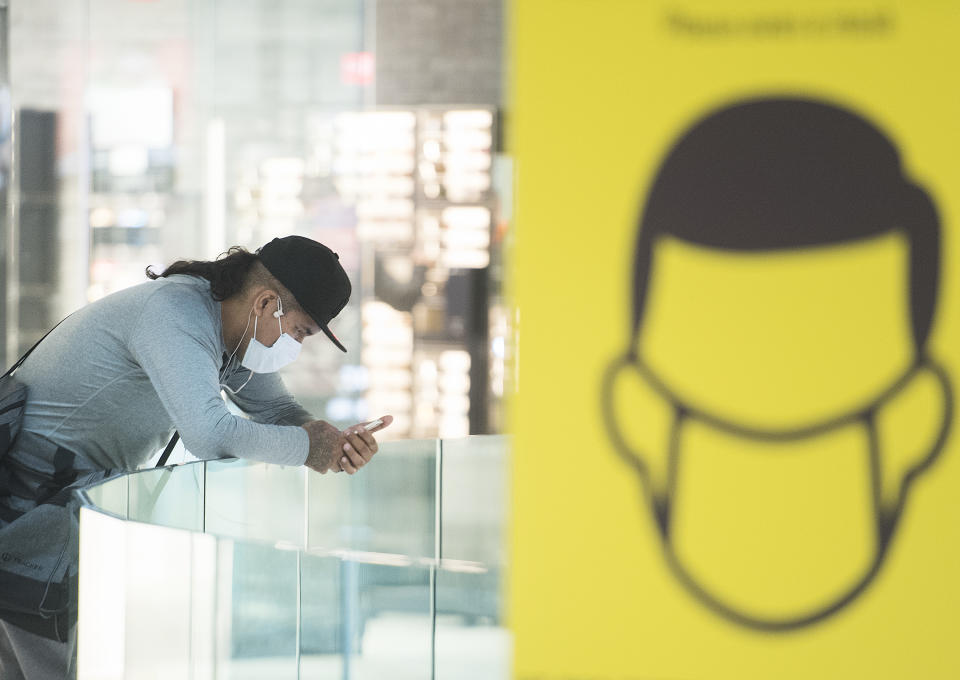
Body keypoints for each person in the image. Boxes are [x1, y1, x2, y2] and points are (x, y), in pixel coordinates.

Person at [0, 234, 391, 678]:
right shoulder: (175, 315)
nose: (296, 346)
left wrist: (332, 441)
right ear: (266, 304)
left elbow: (277, 410)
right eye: (300, 332)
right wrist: (310, 448)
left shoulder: (230, 332)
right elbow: (210, 433)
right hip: (29, 501)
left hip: (64, 507)